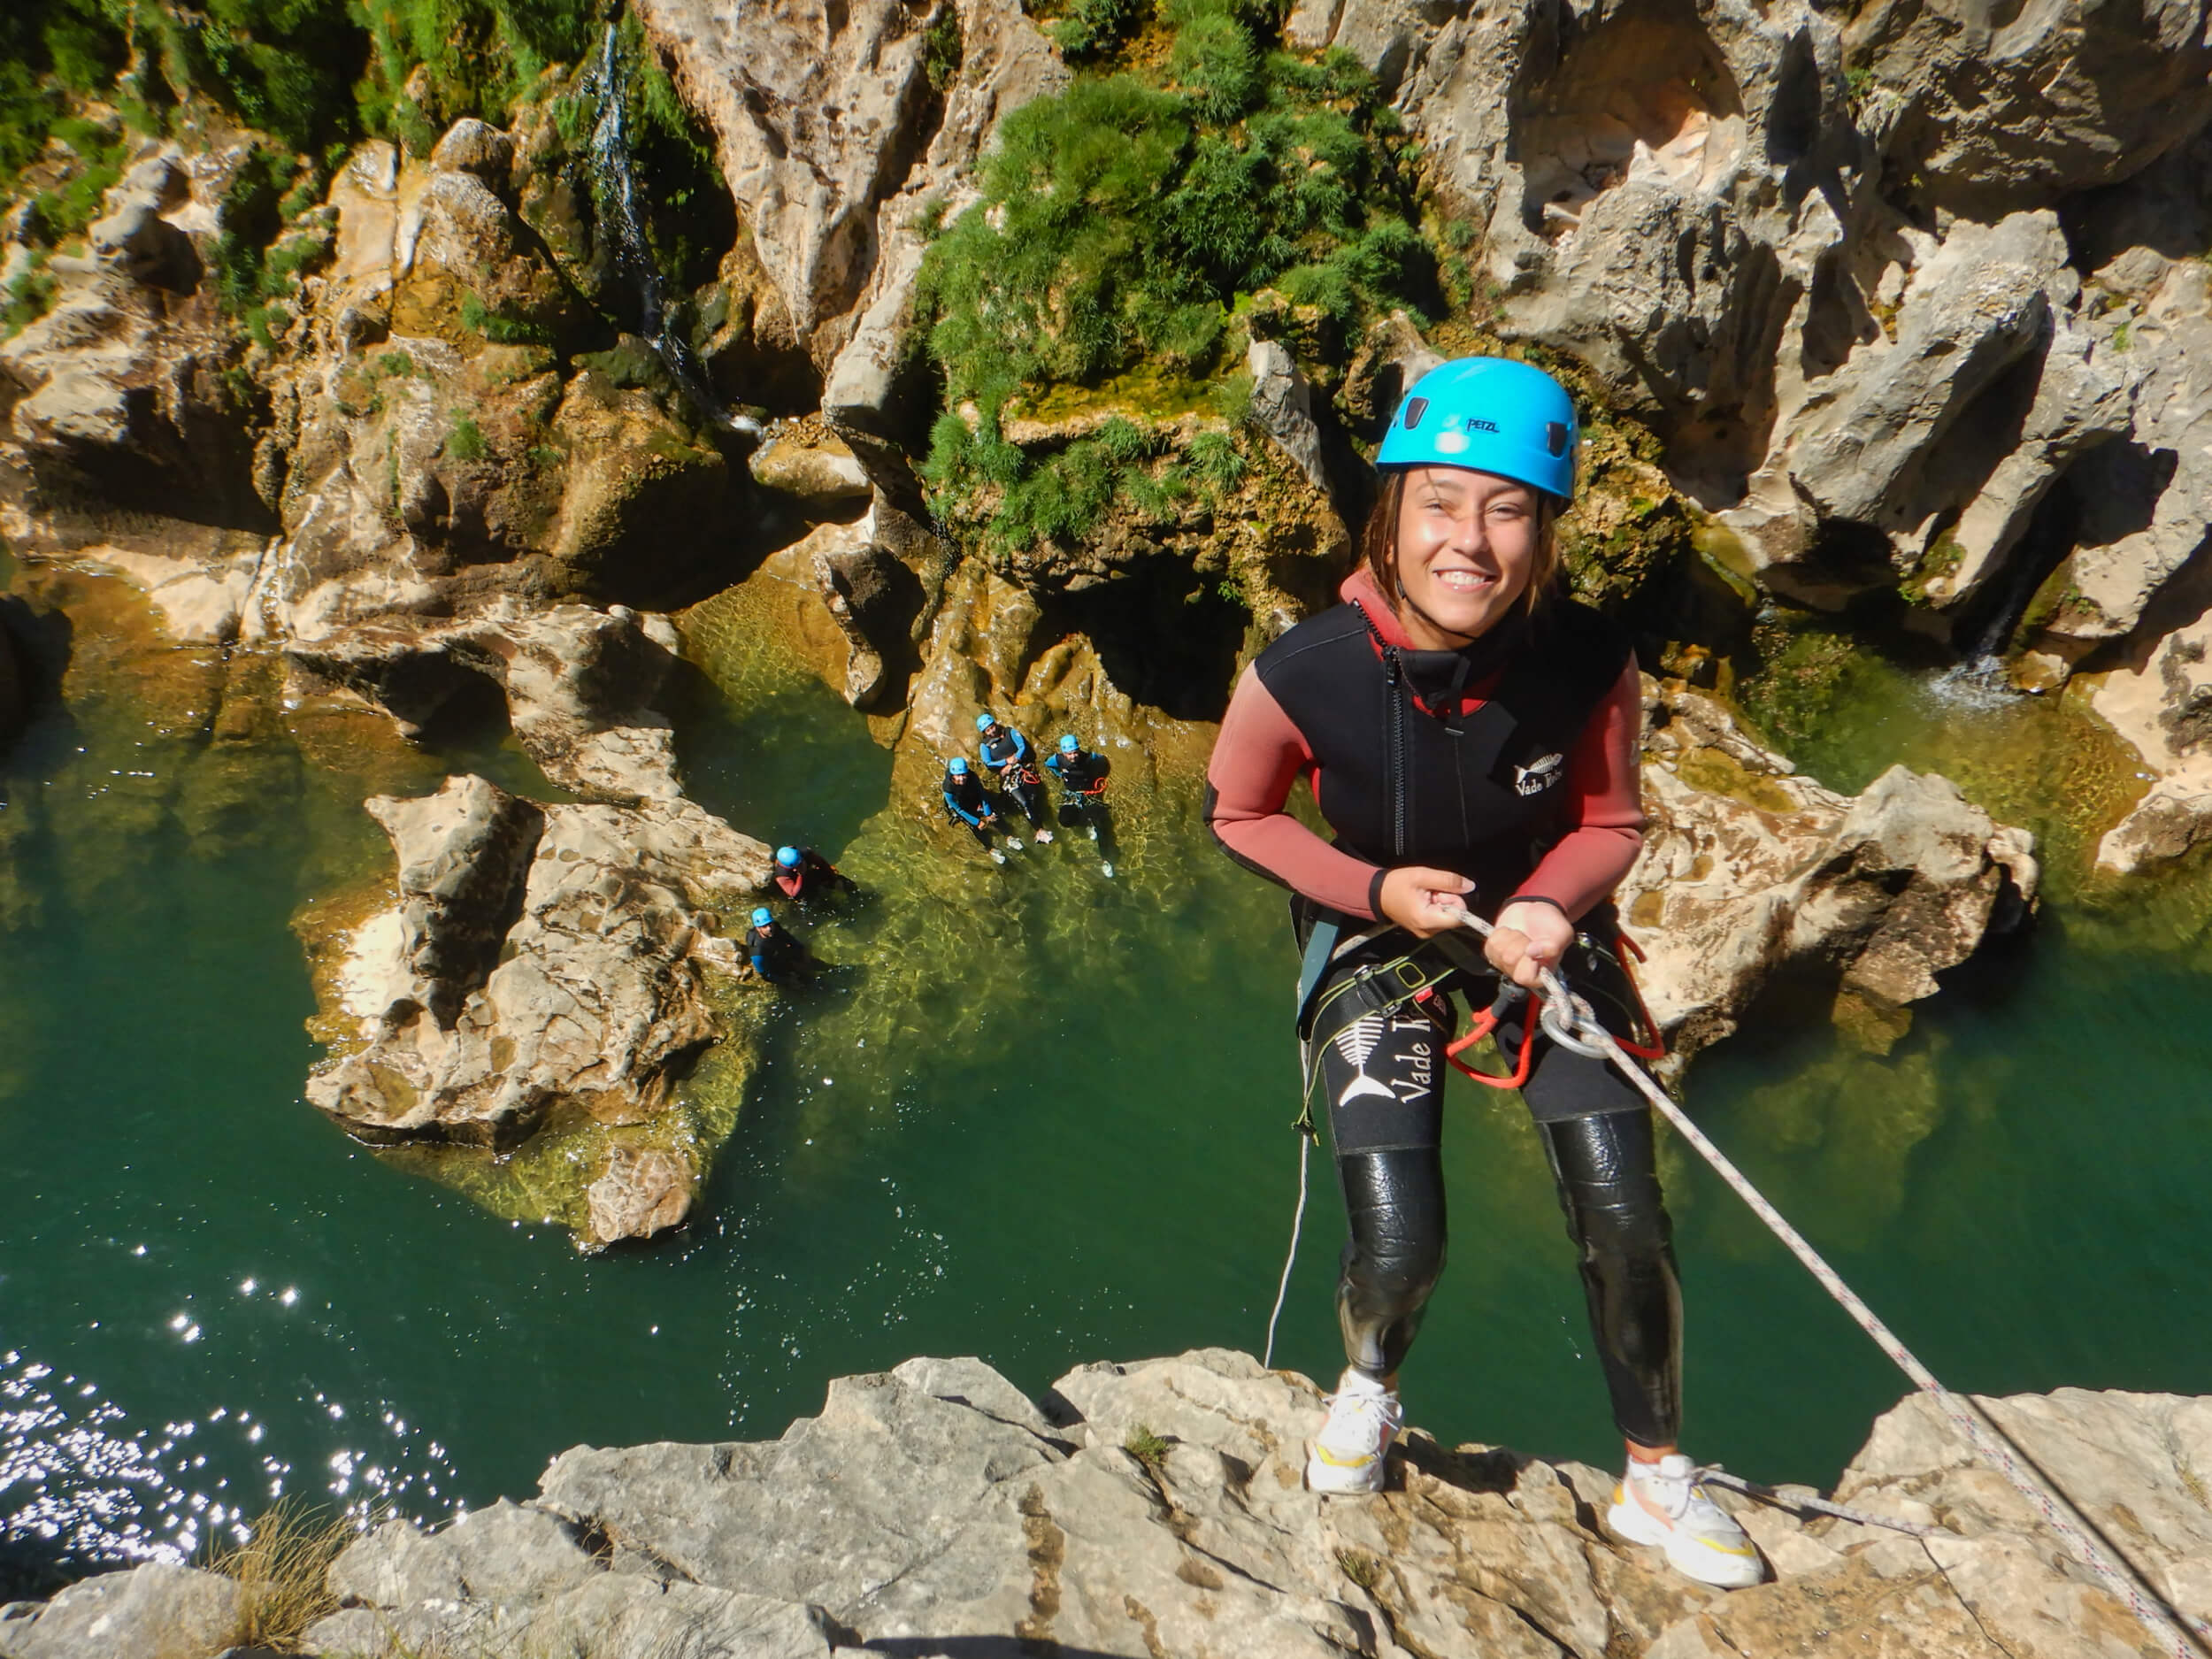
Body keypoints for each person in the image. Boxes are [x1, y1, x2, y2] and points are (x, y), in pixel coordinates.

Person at [1203, 356, 1760, 1591]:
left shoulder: (1586, 659)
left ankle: (1657, 1479)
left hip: (1537, 928)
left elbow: (1611, 820)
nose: (1471, 539)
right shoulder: (1308, 669)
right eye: (1442, 503)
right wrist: (1380, 891)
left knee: (1626, 1214)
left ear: (1545, 531)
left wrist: (1551, 907)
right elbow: (1239, 813)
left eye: (1508, 509)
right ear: (1390, 515)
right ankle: (1370, 1388)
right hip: (1384, 926)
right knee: (1401, 1243)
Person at [1045, 732, 1115, 876]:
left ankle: (1105, 860)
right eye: (1069, 754)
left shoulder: (1089, 758)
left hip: (1088, 794)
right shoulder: (1058, 760)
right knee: (1064, 820)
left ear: (1079, 750)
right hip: (1072, 795)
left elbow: (1102, 760)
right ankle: (1085, 823)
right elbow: (1048, 764)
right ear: (1063, 753)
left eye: (1075, 753)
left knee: (1101, 826)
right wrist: (1060, 775)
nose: (1073, 757)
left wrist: (1099, 776)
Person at [976, 713, 1053, 842]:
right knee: (1023, 802)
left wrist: (1014, 760)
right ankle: (1039, 830)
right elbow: (988, 763)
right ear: (984, 732)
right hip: (1008, 777)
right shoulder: (985, 746)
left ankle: (1038, 824)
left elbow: (1022, 746)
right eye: (988, 730)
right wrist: (1006, 762)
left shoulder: (1009, 732)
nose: (992, 731)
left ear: (995, 724)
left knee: (1033, 798)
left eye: (992, 727)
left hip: (1022, 768)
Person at [942, 755, 1017, 864]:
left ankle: (1008, 836)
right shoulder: (948, 788)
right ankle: (989, 848)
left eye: (963, 775)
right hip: (961, 805)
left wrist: (987, 812)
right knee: (976, 827)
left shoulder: (972, 777)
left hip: (973, 798)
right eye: (958, 776)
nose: (961, 778)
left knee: (994, 816)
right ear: (953, 776)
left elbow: (982, 793)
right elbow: (958, 809)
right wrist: (977, 822)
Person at [743, 906, 805, 982]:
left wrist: (802, 954)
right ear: (758, 929)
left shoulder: (775, 926)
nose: (769, 928)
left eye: (770, 924)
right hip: (774, 965)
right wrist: (788, 980)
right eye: (764, 926)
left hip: (781, 952)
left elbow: (792, 941)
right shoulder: (757, 952)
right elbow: (766, 975)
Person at [774, 844, 853, 903]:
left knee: (844, 882)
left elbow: (821, 863)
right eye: (796, 866)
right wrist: (801, 874)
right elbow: (794, 894)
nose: (799, 866)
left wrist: (833, 877)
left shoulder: (805, 853)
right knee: (813, 900)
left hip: (810, 873)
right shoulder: (782, 875)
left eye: (800, 863)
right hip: (799, 885)